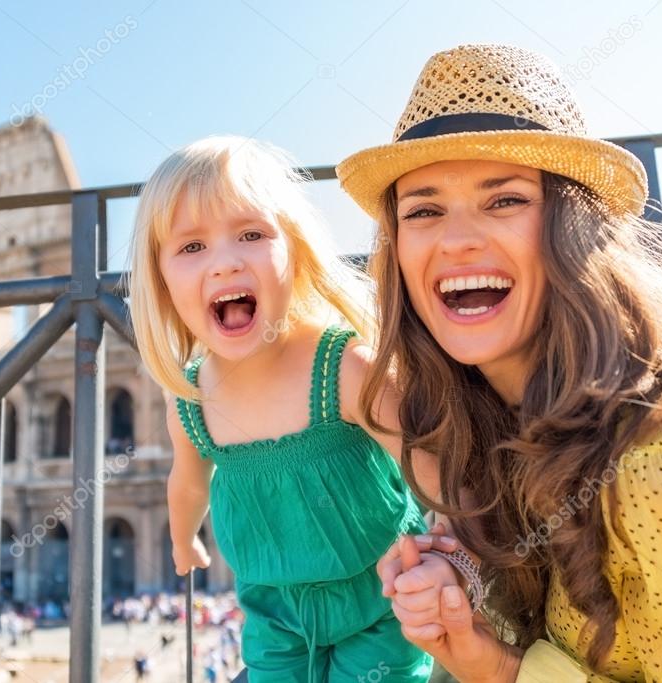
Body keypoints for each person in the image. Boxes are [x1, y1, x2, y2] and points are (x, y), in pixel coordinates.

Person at [336, 43, 662, 681]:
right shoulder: (493, 426)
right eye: (424, 211)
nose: (458, 238)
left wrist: (499, 670)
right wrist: (470, 590)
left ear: (576, 230)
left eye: (506, 200)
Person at [128, 135, 436, 681]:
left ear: (295, 252)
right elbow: (189, 483)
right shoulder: (193, 400)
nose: (224, 263)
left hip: (383, 597)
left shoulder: (342, 368)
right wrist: (183, 542)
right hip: (274, 615)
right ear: (161, 280)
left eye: (251, 234)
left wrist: (453, 546)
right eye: (191, 247)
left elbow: (427, 460)